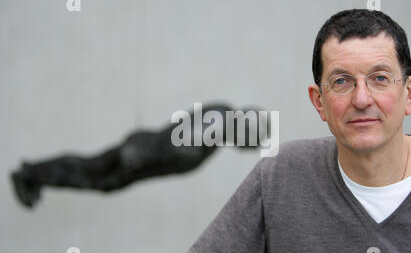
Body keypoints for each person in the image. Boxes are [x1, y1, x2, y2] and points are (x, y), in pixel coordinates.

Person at [163, 9, 411, 253]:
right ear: (319, 102)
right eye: (341, 81)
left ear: (409, 94)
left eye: (379, 78)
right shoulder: (282, 175)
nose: (362, 99)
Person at [10, 103, 268, 209]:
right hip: (141, 156)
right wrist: (139, 158)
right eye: (249, 141)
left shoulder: (220, 128)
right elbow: (181, 142)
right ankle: (29, 174)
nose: (244, 147)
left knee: (94, 174)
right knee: (93, 171)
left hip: (143, 158)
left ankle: (33, 174)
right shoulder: (219, 122)